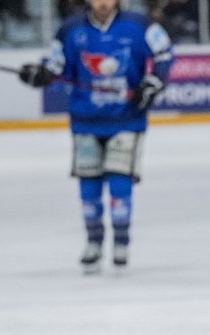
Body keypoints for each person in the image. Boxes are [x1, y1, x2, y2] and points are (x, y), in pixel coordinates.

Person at [18, 0, 173, 274]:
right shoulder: (70, 29)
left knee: (119, 184)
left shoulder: (139, 25)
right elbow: (56, 65)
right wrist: (41, 74)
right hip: (85, 122)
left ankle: (121, 242)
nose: (102, 2)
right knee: (88, 188)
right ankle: (94, 242)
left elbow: (164, 52)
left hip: (127, 119)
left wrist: (153, 81)